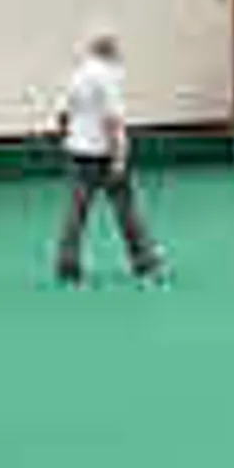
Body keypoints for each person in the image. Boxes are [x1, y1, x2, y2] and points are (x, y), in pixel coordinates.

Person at [52, 29, 164, 286]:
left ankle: (67, 264)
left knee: (76, 211)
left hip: (78, 151)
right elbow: (112, 119)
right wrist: (118, 157)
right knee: (126, 209)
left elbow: (62, 114)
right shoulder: (108, 76)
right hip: (103, 153)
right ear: (109, 51)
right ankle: (144, 262)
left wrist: (66, 139)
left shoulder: (77, 74)